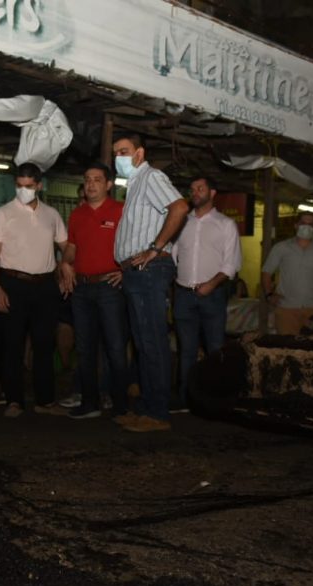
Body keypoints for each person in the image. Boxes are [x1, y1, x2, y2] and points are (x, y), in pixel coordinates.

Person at [111, 132, 189, 432]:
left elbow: (180, 207)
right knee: (143, 343)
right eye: (116, 152)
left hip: (150, 270)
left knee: (152, 342)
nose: (118, 157)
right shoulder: (134, 185)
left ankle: (158, 413)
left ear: (139, 153)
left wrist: (155, 248)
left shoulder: (151, 177)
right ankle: (146, 407)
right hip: (137, 271)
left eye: (124, 151)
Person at [0, 162, 68, 418]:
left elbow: (66, 246)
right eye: (20, 186)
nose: (24, 190)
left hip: (45, 286)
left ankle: (45, 400)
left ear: (39, 186)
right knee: (13, 344)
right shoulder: (3, 213)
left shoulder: (51, 215)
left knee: (44, 344)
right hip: (13, 283)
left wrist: (66, 268)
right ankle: (14, 400)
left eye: (29, 186)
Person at [59, 162, 129, 420]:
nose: (91, 184)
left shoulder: (121, 211)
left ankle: (120, 404)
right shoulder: (77, 214)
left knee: (115, 347)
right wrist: (65, 263)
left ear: (109, 184)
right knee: (85, 348)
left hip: (109, 287)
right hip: (82, 288)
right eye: (87, 179)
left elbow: (135, 245)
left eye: (97, 179)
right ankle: (90, 402)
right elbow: (72, 247)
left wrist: (126, 271)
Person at [171, 176, 242, 412]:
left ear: (212, 193)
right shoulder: (182, 223)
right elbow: (173, 255)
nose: (195, 192)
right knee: (186, 351)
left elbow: (231, 264)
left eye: (200, 188)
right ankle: (186, 399)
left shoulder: (226, 224)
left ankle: (214, 401)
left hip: (213, 295)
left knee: (214, 349)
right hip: (183, 294)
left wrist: (211, 284)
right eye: (192, 189)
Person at [261, 211, 313, 336]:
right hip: (287, 309)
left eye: (311, 224)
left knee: (311, 346)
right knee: (287, 345)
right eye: (303, 223)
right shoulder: (281, 248)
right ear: (296, 225)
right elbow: (267, 272)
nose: (306, 226)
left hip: (312, 309)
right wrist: (269, 294)